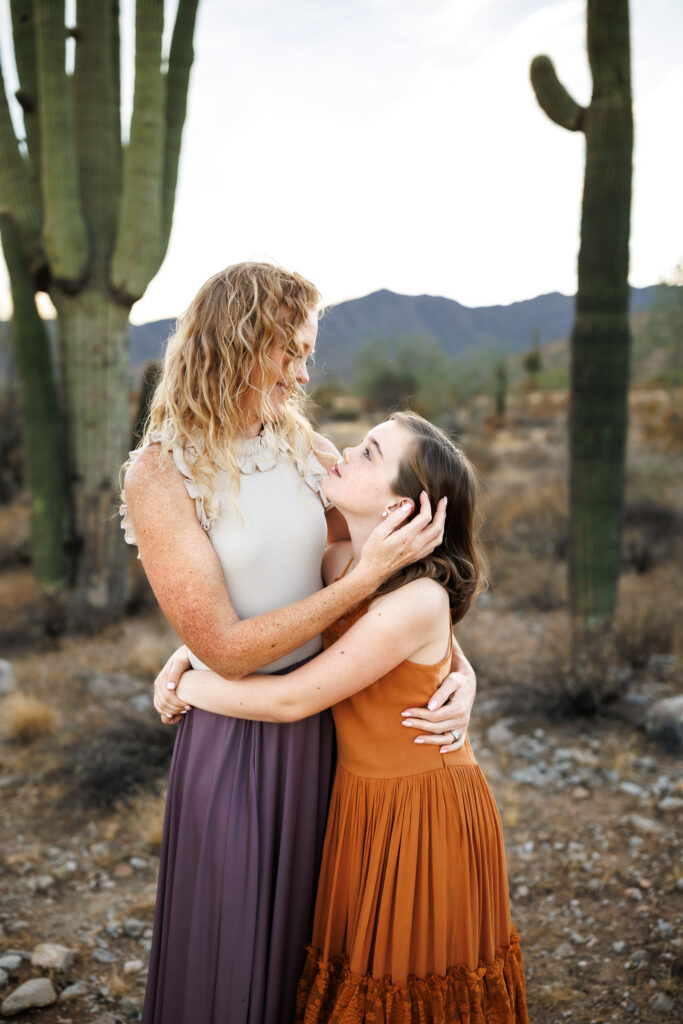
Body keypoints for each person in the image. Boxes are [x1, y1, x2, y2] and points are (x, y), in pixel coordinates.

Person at [121, 262, 477, 1024]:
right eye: (292, 352)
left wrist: (458, 670)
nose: (304, 373)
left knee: (313, 960)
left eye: (310, 353)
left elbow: (395, 577)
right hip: (240, 734)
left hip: (331, 733)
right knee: (234, 951)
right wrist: (194, 659)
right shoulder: (160, 475)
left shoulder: (300, 446)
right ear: (238, 344)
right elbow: (229, 643)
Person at [171, 411, 529, 1023]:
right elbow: (272, 616)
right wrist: (193, 647)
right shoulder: (341, 563)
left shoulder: (417, 600)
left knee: (407, 988)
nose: (346, 452)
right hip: (361, 806)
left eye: (369, 453)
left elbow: (292, 699)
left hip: (421, 811)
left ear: (404, 510)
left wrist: (188, 685)